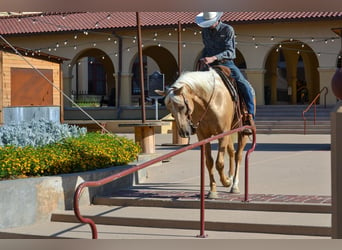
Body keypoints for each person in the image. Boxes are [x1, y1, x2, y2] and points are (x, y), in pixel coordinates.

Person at [195, 12, 256, 133]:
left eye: (210, 23)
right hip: (209, 65)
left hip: (227, 63)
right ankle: (195, 117)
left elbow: (230, 51)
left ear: (217, 20)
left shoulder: (228, 29)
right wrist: (203, 58)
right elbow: (206, 49)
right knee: (195, 84)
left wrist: (214, 58)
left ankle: (249, 116)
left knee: (243, 84)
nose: (208, 26)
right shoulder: (205, 32)